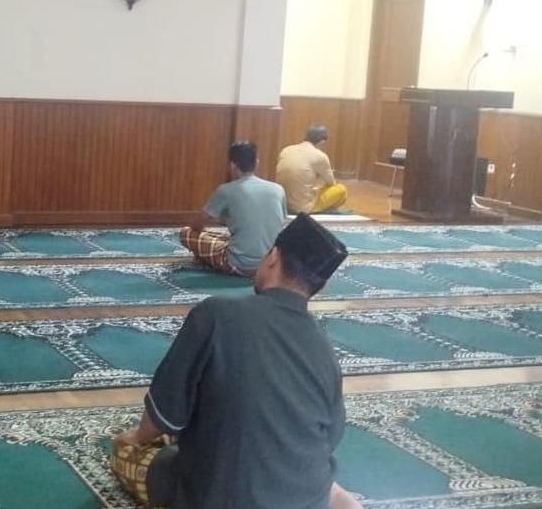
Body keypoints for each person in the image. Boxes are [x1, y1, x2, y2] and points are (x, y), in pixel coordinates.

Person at [110, 214, 361, 509]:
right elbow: (329, 438)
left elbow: (163, 416)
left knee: (129, 452)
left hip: (216, 496)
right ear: (320, 287)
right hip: (304, 496)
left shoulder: (216, 313)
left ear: (272, 257)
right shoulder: (325, 348)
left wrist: (136, 437)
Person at [179, 140, 286, 276]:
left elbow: (197, 224)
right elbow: (279, 222)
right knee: (223, 237)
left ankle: (210, 260)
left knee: (186, 233)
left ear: (232, 165)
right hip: (271, 265)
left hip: (238, 264)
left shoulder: (226, 190)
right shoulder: (278, 189)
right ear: (256, 163)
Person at [276, 124, 348, 214]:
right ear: (322, 141)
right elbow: (331, 182)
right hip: (302, 207)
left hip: (282, 203)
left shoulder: (286, 150)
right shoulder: (320, 156)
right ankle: (324, 210)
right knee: (341, 189)